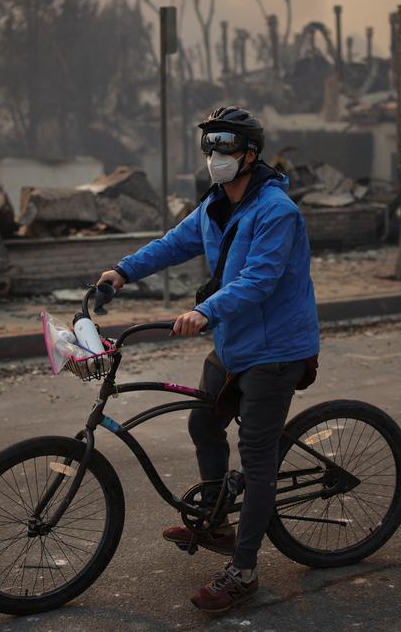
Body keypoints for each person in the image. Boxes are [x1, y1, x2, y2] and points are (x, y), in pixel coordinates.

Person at [98, 106, 319, 616]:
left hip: (276, 350)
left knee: (258, 458)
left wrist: (202, 311)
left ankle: (244, 571)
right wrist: (121, 271)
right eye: (209, 148)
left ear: (249, 154)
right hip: (235, 344)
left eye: (224, 148)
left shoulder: (276, 211)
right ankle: (218, 521)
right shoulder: (217, 204)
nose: (214, 158)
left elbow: (259, 281)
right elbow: (174, 243)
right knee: (204, 423)